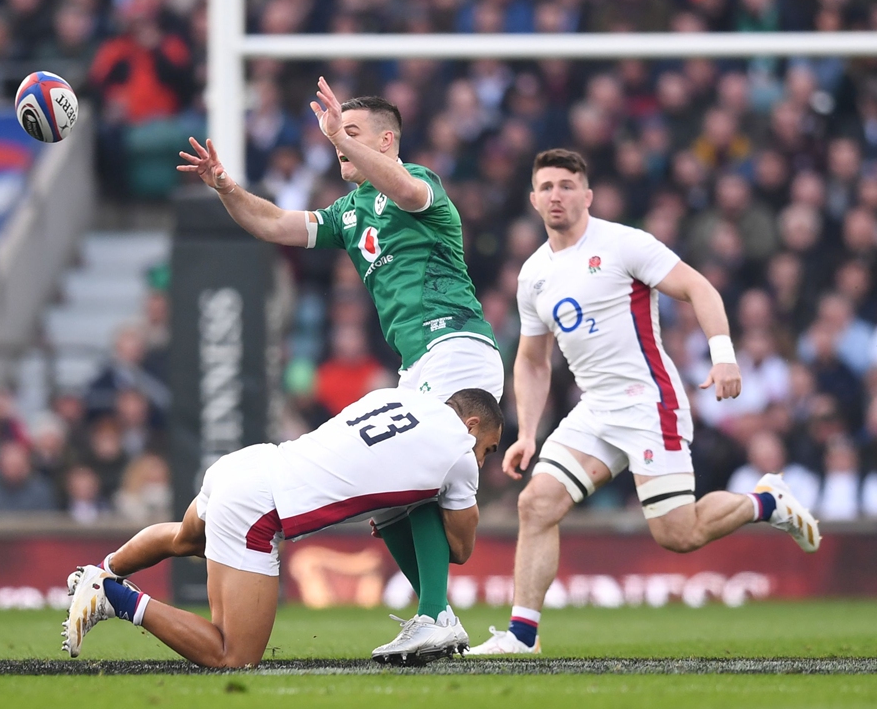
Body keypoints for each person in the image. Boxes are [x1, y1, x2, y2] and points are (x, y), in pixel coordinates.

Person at [177, 77, 505, 661]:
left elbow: (401, 186)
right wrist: (225, 187)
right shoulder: (349, 211)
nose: (337, 144)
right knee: (387, 495)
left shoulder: (420, 183)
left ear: (387, 140)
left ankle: (436, 613)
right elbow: (276, 224)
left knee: (414, 488)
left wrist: (343, 139)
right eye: (334, 135)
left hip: (456, 347)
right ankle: (437, 614)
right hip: (419, 365)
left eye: (352, 134)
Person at [467, 149, 820, 657]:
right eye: (545, 187)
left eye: (566, 185)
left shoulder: (623, 243)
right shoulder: (533, 274)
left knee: (678, 535)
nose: (556, 195)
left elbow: (699, 287)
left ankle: (767, 502)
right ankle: (522, 638)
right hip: (596, 408)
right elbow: (532, 361)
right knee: (536, 503)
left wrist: (723, 356)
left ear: (587, 196)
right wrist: (526, 432)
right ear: (532, 199)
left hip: (649, 402)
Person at [61, 387, 503, 667]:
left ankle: (98, 571)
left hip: (249, 463)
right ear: (472, 426)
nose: (484, 459)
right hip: (261, 508)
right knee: (233, 655)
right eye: (489, 448)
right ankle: (110, 595)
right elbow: (460, 549)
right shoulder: (460, 454)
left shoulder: (397, 396)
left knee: (184, 537)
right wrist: (454, 489)